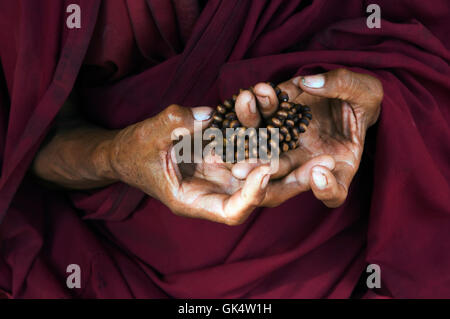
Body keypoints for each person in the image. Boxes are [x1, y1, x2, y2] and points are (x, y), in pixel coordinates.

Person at [0, 0, 449, 298]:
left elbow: (425, 52)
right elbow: (36, 146)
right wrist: (118, 155)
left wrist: (375, 104)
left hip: (345, 257)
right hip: (122, 269)